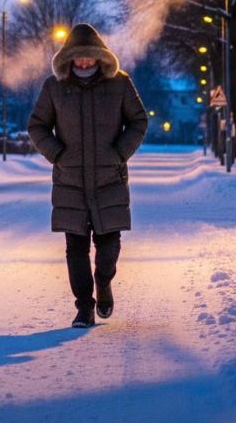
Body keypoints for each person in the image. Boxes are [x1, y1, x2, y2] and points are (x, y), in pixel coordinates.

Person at [27, 23, 148, 328]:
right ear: (68, 58)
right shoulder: (54, 87)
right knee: (76, 249)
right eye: (78, 57)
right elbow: (37, 125)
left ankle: (103, 281)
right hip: (71, 181)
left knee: (109, 246)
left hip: (110, 178)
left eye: (89, 56)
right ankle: (84, 307)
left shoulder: (120, 83)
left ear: (99, 56)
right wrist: (57, 155)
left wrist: (119, 153)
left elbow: (138, 120)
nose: (83, 62)